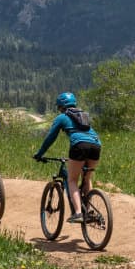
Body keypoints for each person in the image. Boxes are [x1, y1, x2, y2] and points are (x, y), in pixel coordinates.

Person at [35, 92, 101, 223]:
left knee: (72, 180)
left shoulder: (62, 117)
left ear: (61, 106)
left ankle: (78, 213)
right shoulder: (84, 115)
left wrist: (40, 154)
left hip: (79, 146)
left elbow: (50, 138)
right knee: (87, 179)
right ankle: (87, 211)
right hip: (96, 145)